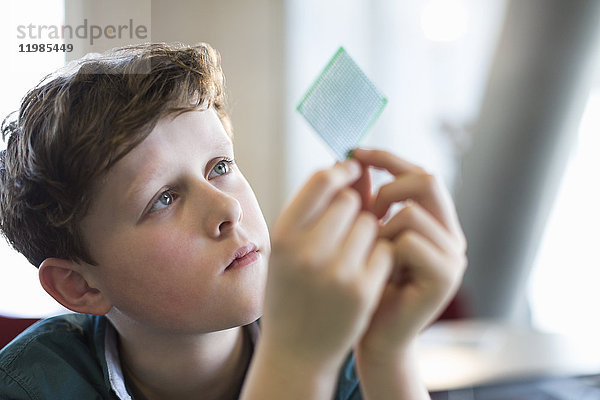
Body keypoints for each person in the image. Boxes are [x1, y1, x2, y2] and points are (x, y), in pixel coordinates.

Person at [0, 42, 467, 400]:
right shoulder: (28, 387)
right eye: (163, 198)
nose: (228, 210)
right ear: (80, 286)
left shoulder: (343, 350)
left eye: (219, 167)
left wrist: (388, 353)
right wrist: (294, 362)